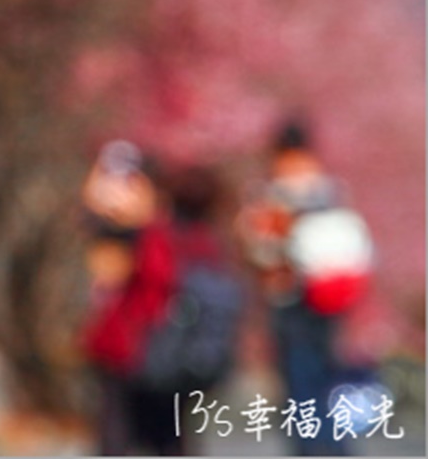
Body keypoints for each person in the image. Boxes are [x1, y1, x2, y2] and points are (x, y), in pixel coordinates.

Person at [82, 144, 241, 456]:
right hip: (176, 355)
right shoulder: (212, 247)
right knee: (171, 435)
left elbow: (128, 280)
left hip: (136, 347)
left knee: (118, 429)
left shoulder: (154, 237)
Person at [237, 117, 373, 456]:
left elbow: (260, 251)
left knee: (301, 380)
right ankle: (334, 445)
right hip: (330, 299)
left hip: (291, 299)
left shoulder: (271, 196)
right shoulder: (332, 191)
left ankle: (313, 447)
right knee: (325, 374)